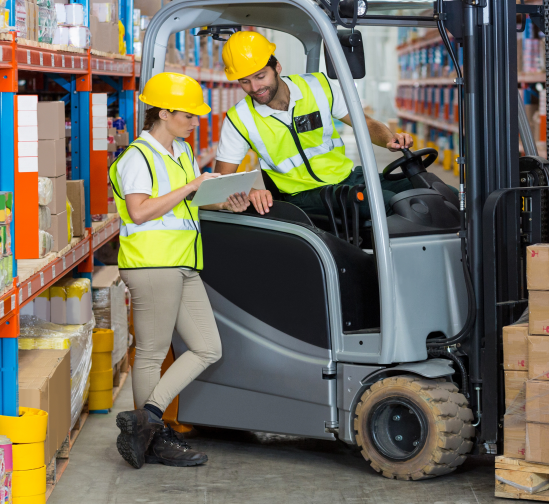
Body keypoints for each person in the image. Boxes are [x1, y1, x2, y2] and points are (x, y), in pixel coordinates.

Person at [109, 72, 249, 469]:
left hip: (182, 261)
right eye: (188, 115)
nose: (195, 122)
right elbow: (139, 211)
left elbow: (188, 204)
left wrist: (222, 202)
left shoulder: (182, 152)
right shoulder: (138, 156)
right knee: (152, 354)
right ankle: (153, 439)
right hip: (152, 263)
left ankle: (146, 419)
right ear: (164, 113)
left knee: (208, 346)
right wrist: (190, 188)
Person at [213, 31, 415, 217]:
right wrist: (251, 191)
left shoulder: (318, 86)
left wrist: (390, 139)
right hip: (303, 195)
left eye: (260, 76)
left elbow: (366, 123)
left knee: (424, 188)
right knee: (392, 204)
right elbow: (222, 177)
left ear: (277, 67)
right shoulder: (239, 118)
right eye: (244, 81)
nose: (255, 88)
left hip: (348, 179)